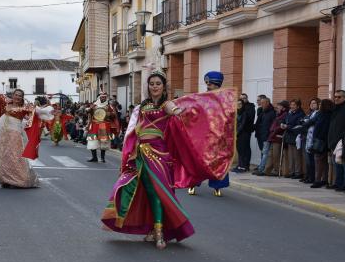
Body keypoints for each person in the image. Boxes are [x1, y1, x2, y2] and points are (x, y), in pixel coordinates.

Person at [101, 72, 236, 249]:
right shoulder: (143, 106)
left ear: (164, 87)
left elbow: (173, 109)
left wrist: (178, 111)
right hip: (139, 155)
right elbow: (136, 127)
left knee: (158, 192)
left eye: (158, 84)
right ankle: (152, 229)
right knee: (135, 189)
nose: (155, 86)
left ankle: (159, 232)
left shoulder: (166, 104)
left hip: (159, 156)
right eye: (152, 84)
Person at [0, 81, 53, 188]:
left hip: (15, 135)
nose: (17, 97)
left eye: (20, 96)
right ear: (13, 95)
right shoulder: (7, 103)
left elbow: (37, 111)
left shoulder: (25, 107)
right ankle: (5, 179)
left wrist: (48, 111)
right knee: (3, 156)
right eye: (16, 95)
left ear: (22, 98)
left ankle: (18, 180)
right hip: (4, 134)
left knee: (15, 156)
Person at [188, 71, 231, 196]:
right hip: (204, 135)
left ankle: (218, 186)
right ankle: (193, 184)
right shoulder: (203, 98)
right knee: (199, 161)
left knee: (218, 162)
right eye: (207, 83)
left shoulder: (225, 99)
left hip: (218, 136)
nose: (207, 86)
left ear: (216, 84)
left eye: (209, 84)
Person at [327, 90, 345, 190]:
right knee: (336, 164)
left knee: (343, 164)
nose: (336, 98)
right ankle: (338, 183)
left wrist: (341, 139)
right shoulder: (334, 109)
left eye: (339, 97)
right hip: (333, 141)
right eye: (335, 96)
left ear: (344, 98)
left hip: (342, 142)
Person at [260, 100, 289, 177]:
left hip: (277, 137)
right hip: (273, 136)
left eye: (279, 106)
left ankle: (277, 170)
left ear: (284, 107)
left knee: (276, 155)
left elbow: (281, 126)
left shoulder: (285, 115)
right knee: (270, 155)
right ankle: (267, 170)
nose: (278, 107)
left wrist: (274, 130)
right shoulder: (278, 115)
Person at [86, 92, 117, 163]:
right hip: (95, 125)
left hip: (103, 125)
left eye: (104, 97)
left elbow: (114, 115)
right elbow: (89, 112)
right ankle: (94, 157)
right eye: (102, 97)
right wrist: (89, 110)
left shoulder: (108, 106)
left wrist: (110, 114)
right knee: (92, 141)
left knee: (103, 142)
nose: (103, 98)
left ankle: (102, 158)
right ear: (99, 97)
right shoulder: (95, 105)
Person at [310, 99, 334, 188]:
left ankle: (317, 180)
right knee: (324, 162)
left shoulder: (322, 115)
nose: (319, 106)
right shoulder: (330, 114)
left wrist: (316, 138)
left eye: (320, 104)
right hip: (326, 140)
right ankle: (324, 179)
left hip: (320, 141)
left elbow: (319, 128)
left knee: (318, 161)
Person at [281, 99, 305, 179]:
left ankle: (298, 172)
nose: (292, 106)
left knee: (296, 156)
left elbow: (298, 126)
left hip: (295, 137)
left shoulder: (300, 114)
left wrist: (287, 127)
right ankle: (292, 172)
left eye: (294, 105)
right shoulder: (290, 113)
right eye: (291, 105)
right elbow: (285, 120)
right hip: (288, 136)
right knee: (291, 156)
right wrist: (282, 124)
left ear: (298, 106)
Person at [252, 97, 276, 176]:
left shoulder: (272, 113)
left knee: (265, 153)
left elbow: (272, 126)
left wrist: (269, 135)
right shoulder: (262, 112)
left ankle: (261, 169)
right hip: (261, 135)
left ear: (267, 103)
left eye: (263, 103)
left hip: (267, 136)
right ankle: (262, 167)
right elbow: (259, 124)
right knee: (263, 152)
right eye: (261, 103)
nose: (261, 104)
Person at [300, 98, 320, 184]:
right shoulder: (310, 113)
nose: (312, 105)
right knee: (308, 160)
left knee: (312, 160)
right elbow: (302, 122)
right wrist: (305, 122)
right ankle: (308, 176)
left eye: (314, 103)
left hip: (313, 138)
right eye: (311, 103)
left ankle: (312, 177)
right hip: (307, 138)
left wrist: (306, 122)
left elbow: (309, 122)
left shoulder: (318, 113)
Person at [233, 93, 255, 172]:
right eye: (238, 103)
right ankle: (240, 165)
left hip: (245, 132)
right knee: (239, 149)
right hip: (238, 133)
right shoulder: (237, 111)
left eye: (244, 98)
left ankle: (244, 166)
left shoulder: (247, 110)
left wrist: (237, 132)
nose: (239, 104)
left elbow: (243, 124)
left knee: (244, 149)